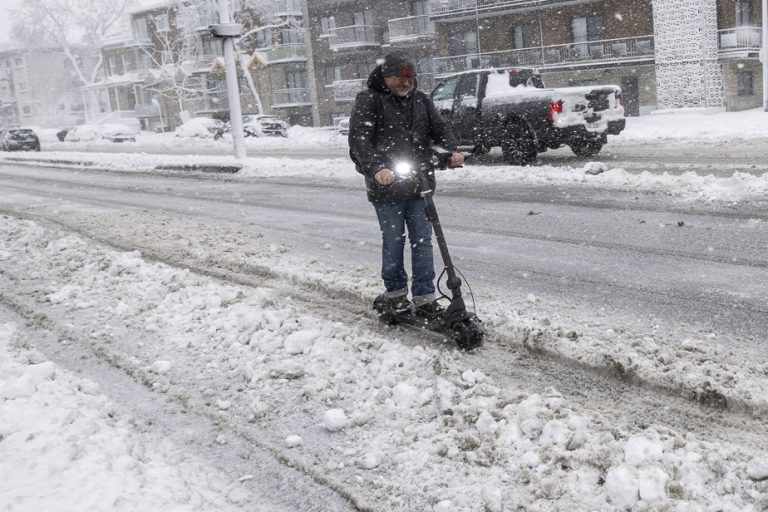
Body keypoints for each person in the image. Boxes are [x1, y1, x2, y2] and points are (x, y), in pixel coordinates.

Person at [349, 53, 464, 317]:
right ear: (385, 77)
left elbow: (440, 129)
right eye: (400, 78)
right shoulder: (370, 100)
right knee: (394, 240)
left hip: (418, 183)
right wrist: (377, 168)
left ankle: (425, 297)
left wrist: (451, 151)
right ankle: (396, 295)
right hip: (387, 186)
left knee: (423, 241)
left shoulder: (421, 100)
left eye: (410, 78)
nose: (406, 83)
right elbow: (360, 140)